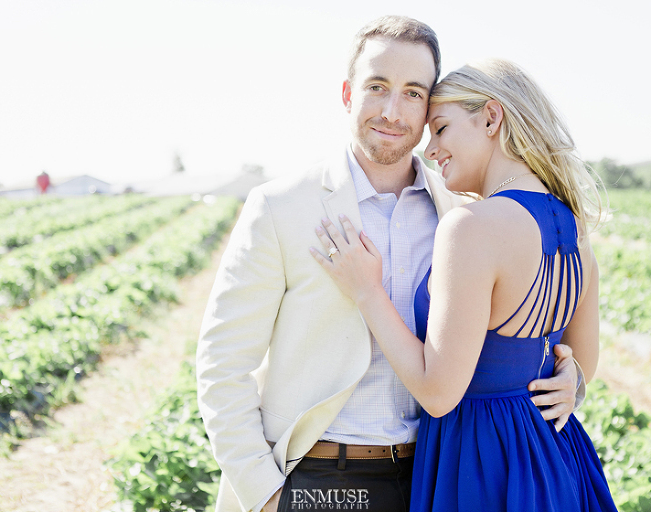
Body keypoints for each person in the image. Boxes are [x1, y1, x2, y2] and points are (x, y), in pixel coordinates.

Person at [197, 17, 583, 512]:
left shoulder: (461, 214)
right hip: (317, 479)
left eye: (413, 93)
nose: (392, 110)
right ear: (347, 93)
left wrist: (572, 379)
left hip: (433, 476)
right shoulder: (281, 207)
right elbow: (222, 364)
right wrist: (268, 495)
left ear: (429, 107)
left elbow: (524, 327)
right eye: (376, 87)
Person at [311, 58, 616, 511]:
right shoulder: (575, 225)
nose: (430, 149)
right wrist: (568, 378)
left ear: (491, 118)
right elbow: (583, 364)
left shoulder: (471, 226)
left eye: (442, 128)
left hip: (482, 463)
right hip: (559, 455)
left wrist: (366, 291)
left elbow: (437, 394)